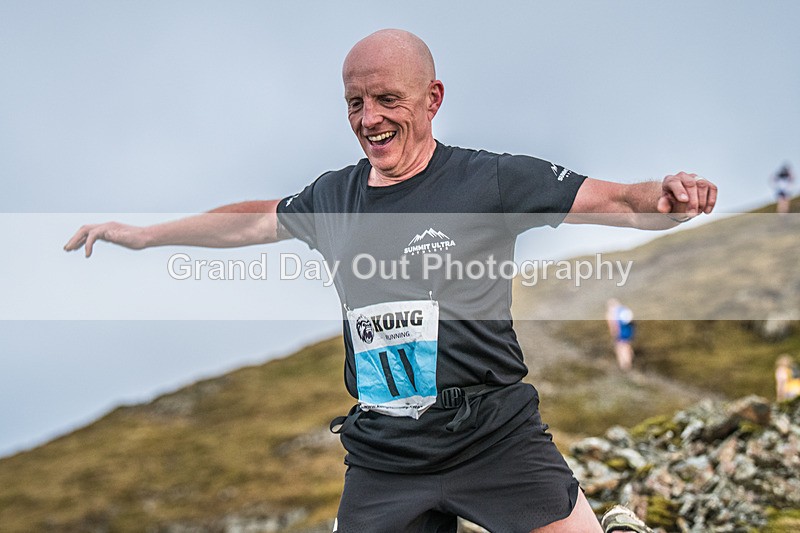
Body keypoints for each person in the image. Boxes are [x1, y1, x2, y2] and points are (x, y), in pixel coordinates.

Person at [65, 29, 716, 533]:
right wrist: (146, 235)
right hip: (386, 449)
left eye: (387, 99)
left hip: (490, 431)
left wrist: (668, 197)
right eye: (355, 102)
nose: (369, 118)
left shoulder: (489, 180)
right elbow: (247, 223)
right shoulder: (334, 197)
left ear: (432, 100)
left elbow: (617, 200)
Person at [606, 299, 635, 371]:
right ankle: (629, 364)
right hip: (629, 332)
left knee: (620, 348)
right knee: (627, 347)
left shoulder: (611, 314)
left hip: (620, 333)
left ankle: (624, 366)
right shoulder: (624, 310)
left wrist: (614, 334)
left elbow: (613, 326)